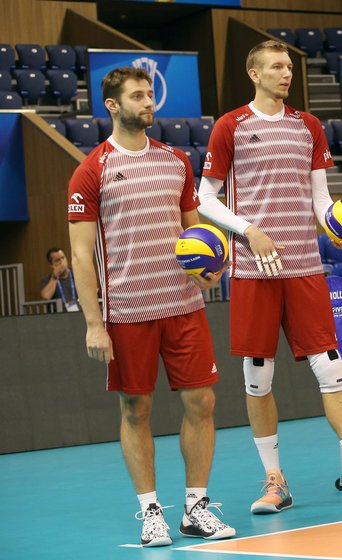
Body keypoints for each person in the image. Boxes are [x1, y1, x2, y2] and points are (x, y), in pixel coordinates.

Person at [197, 40, 342, 513]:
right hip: (253, 270)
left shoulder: (308, 126)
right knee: (257, 378)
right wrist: (249, 231)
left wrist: (337, 227)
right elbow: (205, 197)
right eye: (275, 67)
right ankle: (274, 482)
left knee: (332, 370)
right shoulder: (231, 126)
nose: (285, 73)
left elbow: (321, 199)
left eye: (288, 66)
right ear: (253, 73)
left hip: (305, 267)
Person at [68, 67, 234, 547]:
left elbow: (193, 233)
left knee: (202, 402)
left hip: (183, 305)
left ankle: (196, 508)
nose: (149, 102)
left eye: (149, 94)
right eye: (137, 96)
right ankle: (150, 512)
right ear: (113, 106)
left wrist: (208, 267)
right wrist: (94, 323)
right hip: (126, 312)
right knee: (135, 409)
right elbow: (81, 255)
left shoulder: (177, 161)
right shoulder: (90, 171)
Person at [39, 247, 80, 311]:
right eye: (57, 260)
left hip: (79, 314)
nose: (62, 261)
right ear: (51, 265)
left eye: (63, 258)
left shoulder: (76, 274)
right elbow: (46, 296)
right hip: (59, 318)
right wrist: (55, 277)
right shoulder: (47, 279)